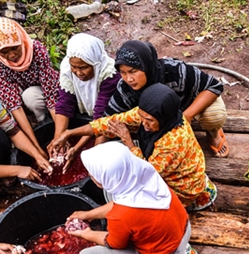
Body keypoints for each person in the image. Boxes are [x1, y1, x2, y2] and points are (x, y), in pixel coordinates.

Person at [55, 84, 216, 210]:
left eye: (150, 121)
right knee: (114, 153)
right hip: (160, 166)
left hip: (181, 188)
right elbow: (110, 123)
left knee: (123, 186)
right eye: (142, 118)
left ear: (163, 117)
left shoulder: (173, 141)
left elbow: (147, 173)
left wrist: (128, 141)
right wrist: (69, 133)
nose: (144, 124)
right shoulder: (148, 113)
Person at [71, 143, 191, 254]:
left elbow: (113, 243)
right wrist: (88, 215)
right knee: (111, 193)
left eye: (92, 174)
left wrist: (86, 234)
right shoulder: (145, 173)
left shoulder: (120, 216)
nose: (89, 175)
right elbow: (122, 204)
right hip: (183, 230)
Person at [103, 40, 229, 156]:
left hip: (189, 104)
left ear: (147, 65)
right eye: (123, 73)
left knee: (214, 116)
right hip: (162, 120)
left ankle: (213, 133)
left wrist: (187, 116)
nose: (129, 79)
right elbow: (107, 120)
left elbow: (214, 86)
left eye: (133, 71)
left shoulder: (176, 71)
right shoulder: (125, 88)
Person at [0, 18, 60, 158]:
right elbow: (14, 106)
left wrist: (60, 135)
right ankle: (41, 124)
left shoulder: (36, 50)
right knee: (24, 97)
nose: (12, 55)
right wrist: (36, 148)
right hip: (24, 97)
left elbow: (51, 95)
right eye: (4, 52)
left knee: (30, 96)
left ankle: (48, 122)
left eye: (15, 47)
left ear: (20, 39)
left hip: (43, 91)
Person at [49, 33, 120, 170]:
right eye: (74, 67)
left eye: (83, 68)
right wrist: (58, 138)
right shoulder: (67, 68)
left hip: (106, 116)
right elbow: (65, 103)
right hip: (87, 113)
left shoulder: (109, 74)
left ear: (95, 64)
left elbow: (100, 118)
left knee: (98, 155)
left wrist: (77, 148)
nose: (78, 72)